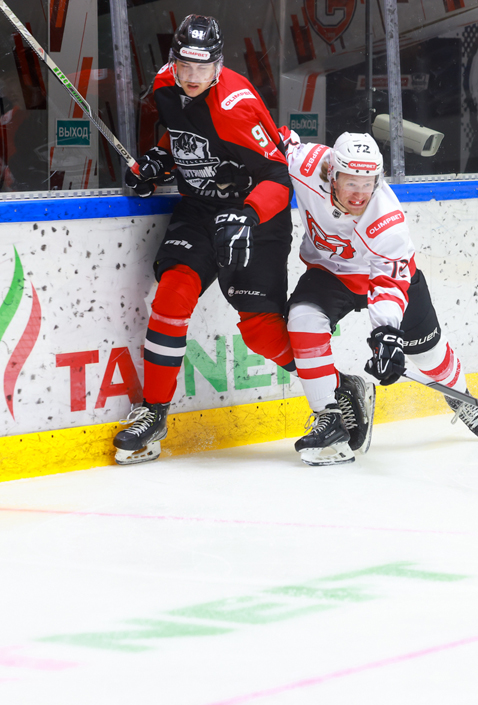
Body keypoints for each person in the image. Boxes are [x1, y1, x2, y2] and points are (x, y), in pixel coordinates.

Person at [110, 15, 301, 465]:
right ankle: (154, 414)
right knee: (172, 293)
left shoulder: (236, 106)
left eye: (203, 67)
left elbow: (279, 178)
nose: (193, 76)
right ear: (173, 61)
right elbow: (186, 135)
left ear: (219, 64)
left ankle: (339, 388)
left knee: (261, 332)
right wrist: (159, 160)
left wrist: (248, 215)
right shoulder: (165, 85)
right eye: (185, 65)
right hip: (200, 209)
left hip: (255, 215)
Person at [282, 128, 478, 466]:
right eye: (351, 182)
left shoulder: (387, 218)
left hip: (388, 278)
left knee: (429, 355)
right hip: (329, 273)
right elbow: (272, 138)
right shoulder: (305, 165)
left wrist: (386, 336)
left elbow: (388, 283)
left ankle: (459, 395)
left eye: (368, 184)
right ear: (333, 174)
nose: (359, 194)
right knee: (302, 321)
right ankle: (329, 419)